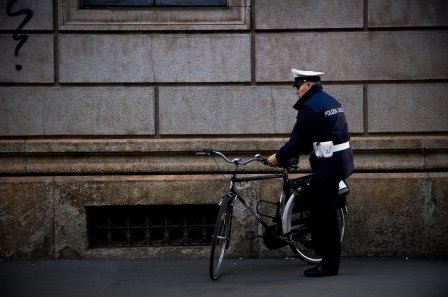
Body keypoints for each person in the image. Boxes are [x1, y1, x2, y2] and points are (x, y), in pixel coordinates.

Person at [267, 69, 354, 277]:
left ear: (307, 85)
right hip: (340, 163)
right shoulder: (330, 101)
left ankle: (329, 265)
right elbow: (328, 132)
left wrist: (277, 157)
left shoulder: (311, 107)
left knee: (326, 217)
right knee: (319, 206)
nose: (296, 92)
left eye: (297, 87)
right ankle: (318, 243)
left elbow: (298, 139)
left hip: (328, 168)